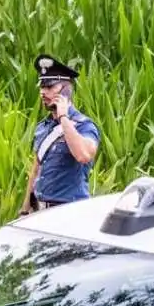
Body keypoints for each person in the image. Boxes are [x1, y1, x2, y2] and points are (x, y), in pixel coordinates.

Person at [20, 54, 101, 215]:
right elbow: (36, 171)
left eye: (49, 87)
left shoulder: (84, 126)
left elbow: (84, 156)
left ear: (66, 90)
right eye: (42, 87)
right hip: (40, 211)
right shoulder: (43, 127)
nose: (43, 92)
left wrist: (63, 117)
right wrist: (25, 209)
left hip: (69, 212)